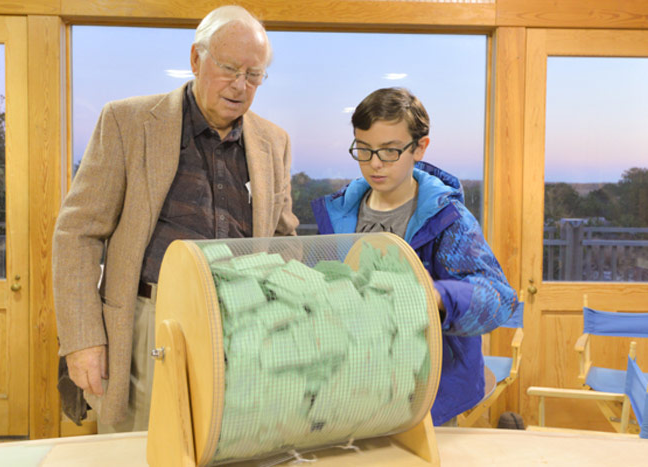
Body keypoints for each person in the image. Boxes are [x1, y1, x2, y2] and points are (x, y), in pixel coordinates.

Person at [53, 5, 298, 432]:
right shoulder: (126, 122)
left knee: (233, 443)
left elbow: (284, 238)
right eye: (228, 68)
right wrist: (83, 339)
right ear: (195, 59)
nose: (240, 86)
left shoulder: (274, 141)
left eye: (254, 75)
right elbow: (77, 233)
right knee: (143, 448)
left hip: (244, 328)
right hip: (150, 320)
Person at [310, 87, 517, 426]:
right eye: (363, 150)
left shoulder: (448, 219)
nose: (375, 164)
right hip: (351, 393)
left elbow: (499, 300)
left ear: (420, 147)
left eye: (390, 151)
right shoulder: (338, 214)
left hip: (425, 397)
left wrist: (439, 296)